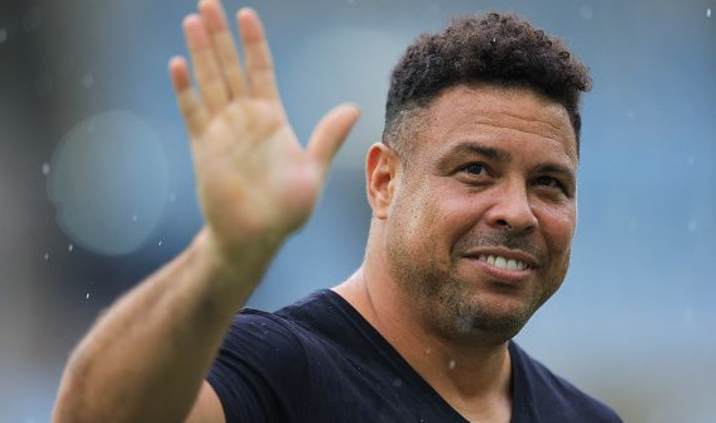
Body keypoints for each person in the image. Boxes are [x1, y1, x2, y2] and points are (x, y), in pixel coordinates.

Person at [51, 0, 624, 422]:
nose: (518, 212)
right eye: (476, 169)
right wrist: (225, 256)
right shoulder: (280, 370)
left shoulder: (586, 418)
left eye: (549, 184)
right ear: (383, 182)